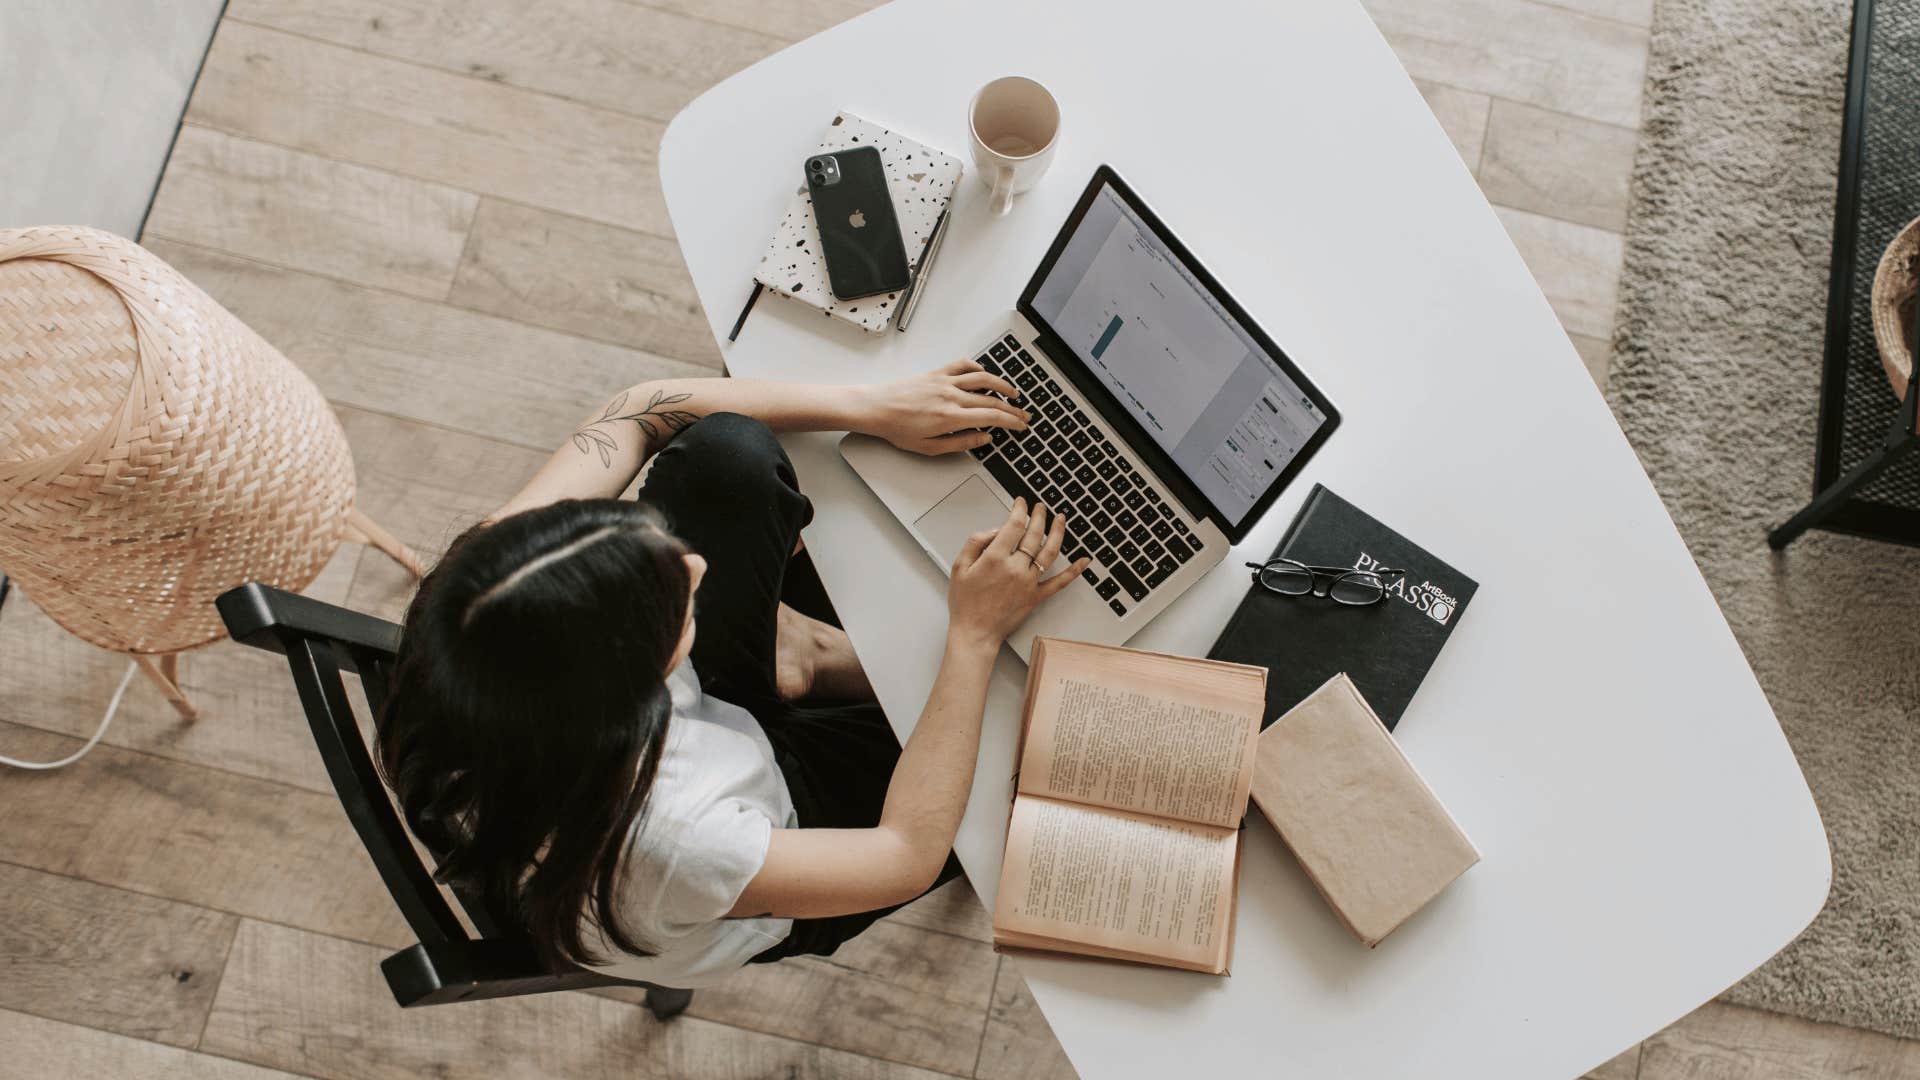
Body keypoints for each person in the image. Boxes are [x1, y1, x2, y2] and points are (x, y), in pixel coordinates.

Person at [375, 360, 1090, 988]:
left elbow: (633, 414)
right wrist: (971, 637)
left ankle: (800, 658)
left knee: (725, 453)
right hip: (778, 837)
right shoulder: (680, 841)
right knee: (1031, 754)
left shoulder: (485, 593)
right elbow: (904, 854)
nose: (695, 565)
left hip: (657, 751)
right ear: (633, 690)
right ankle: (810, 660)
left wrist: (870, 405)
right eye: (672, 606)